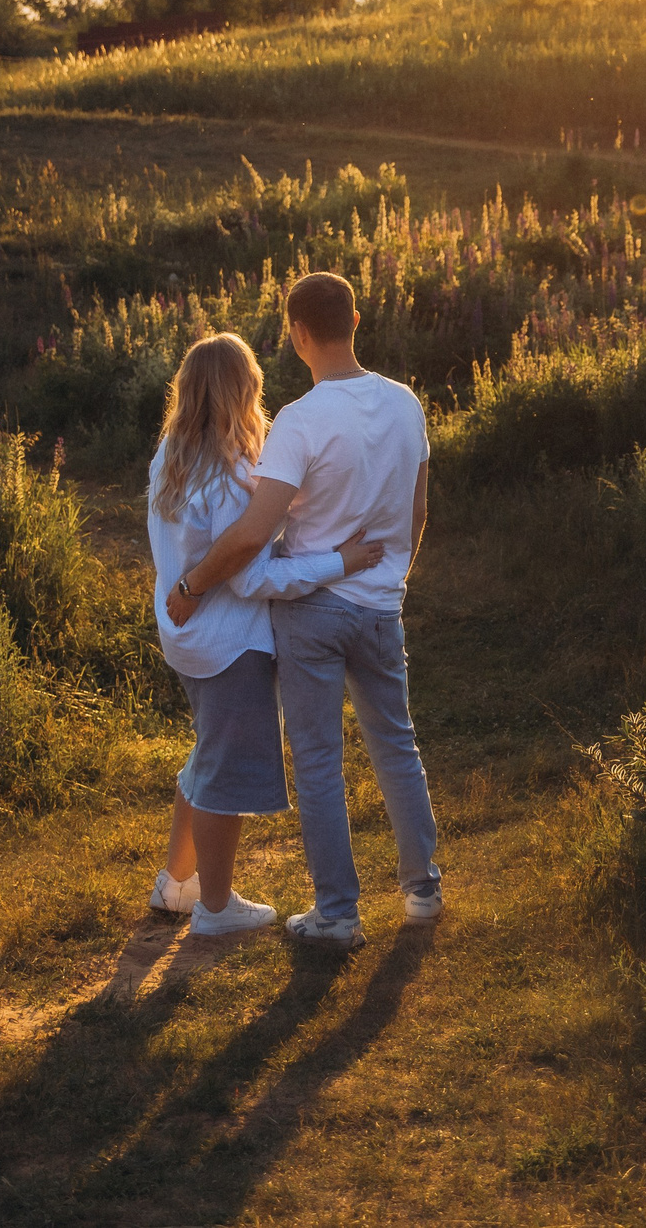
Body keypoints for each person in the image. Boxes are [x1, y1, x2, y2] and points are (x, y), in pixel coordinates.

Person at [167, 272, 439, 948]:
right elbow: (418, 510)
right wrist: (394, 582)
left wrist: (194, 584)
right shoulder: (406, 403)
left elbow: (253, 534)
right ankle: (423, 891)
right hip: (380, 606)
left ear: (298, 334)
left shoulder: (300, 420)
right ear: (356, 321)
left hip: (312, 613)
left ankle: (338, 915)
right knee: (397, 745)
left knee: (320, 762)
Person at [146, 331, 385, 939]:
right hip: (230, 642)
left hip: (185, 634)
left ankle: (177, 883)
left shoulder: (171, 454)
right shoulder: (230, 478)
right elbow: (251, 578)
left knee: (208, 751)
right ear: (244, 390)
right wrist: (339, 561)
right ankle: (215, 907)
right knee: (224, 772)